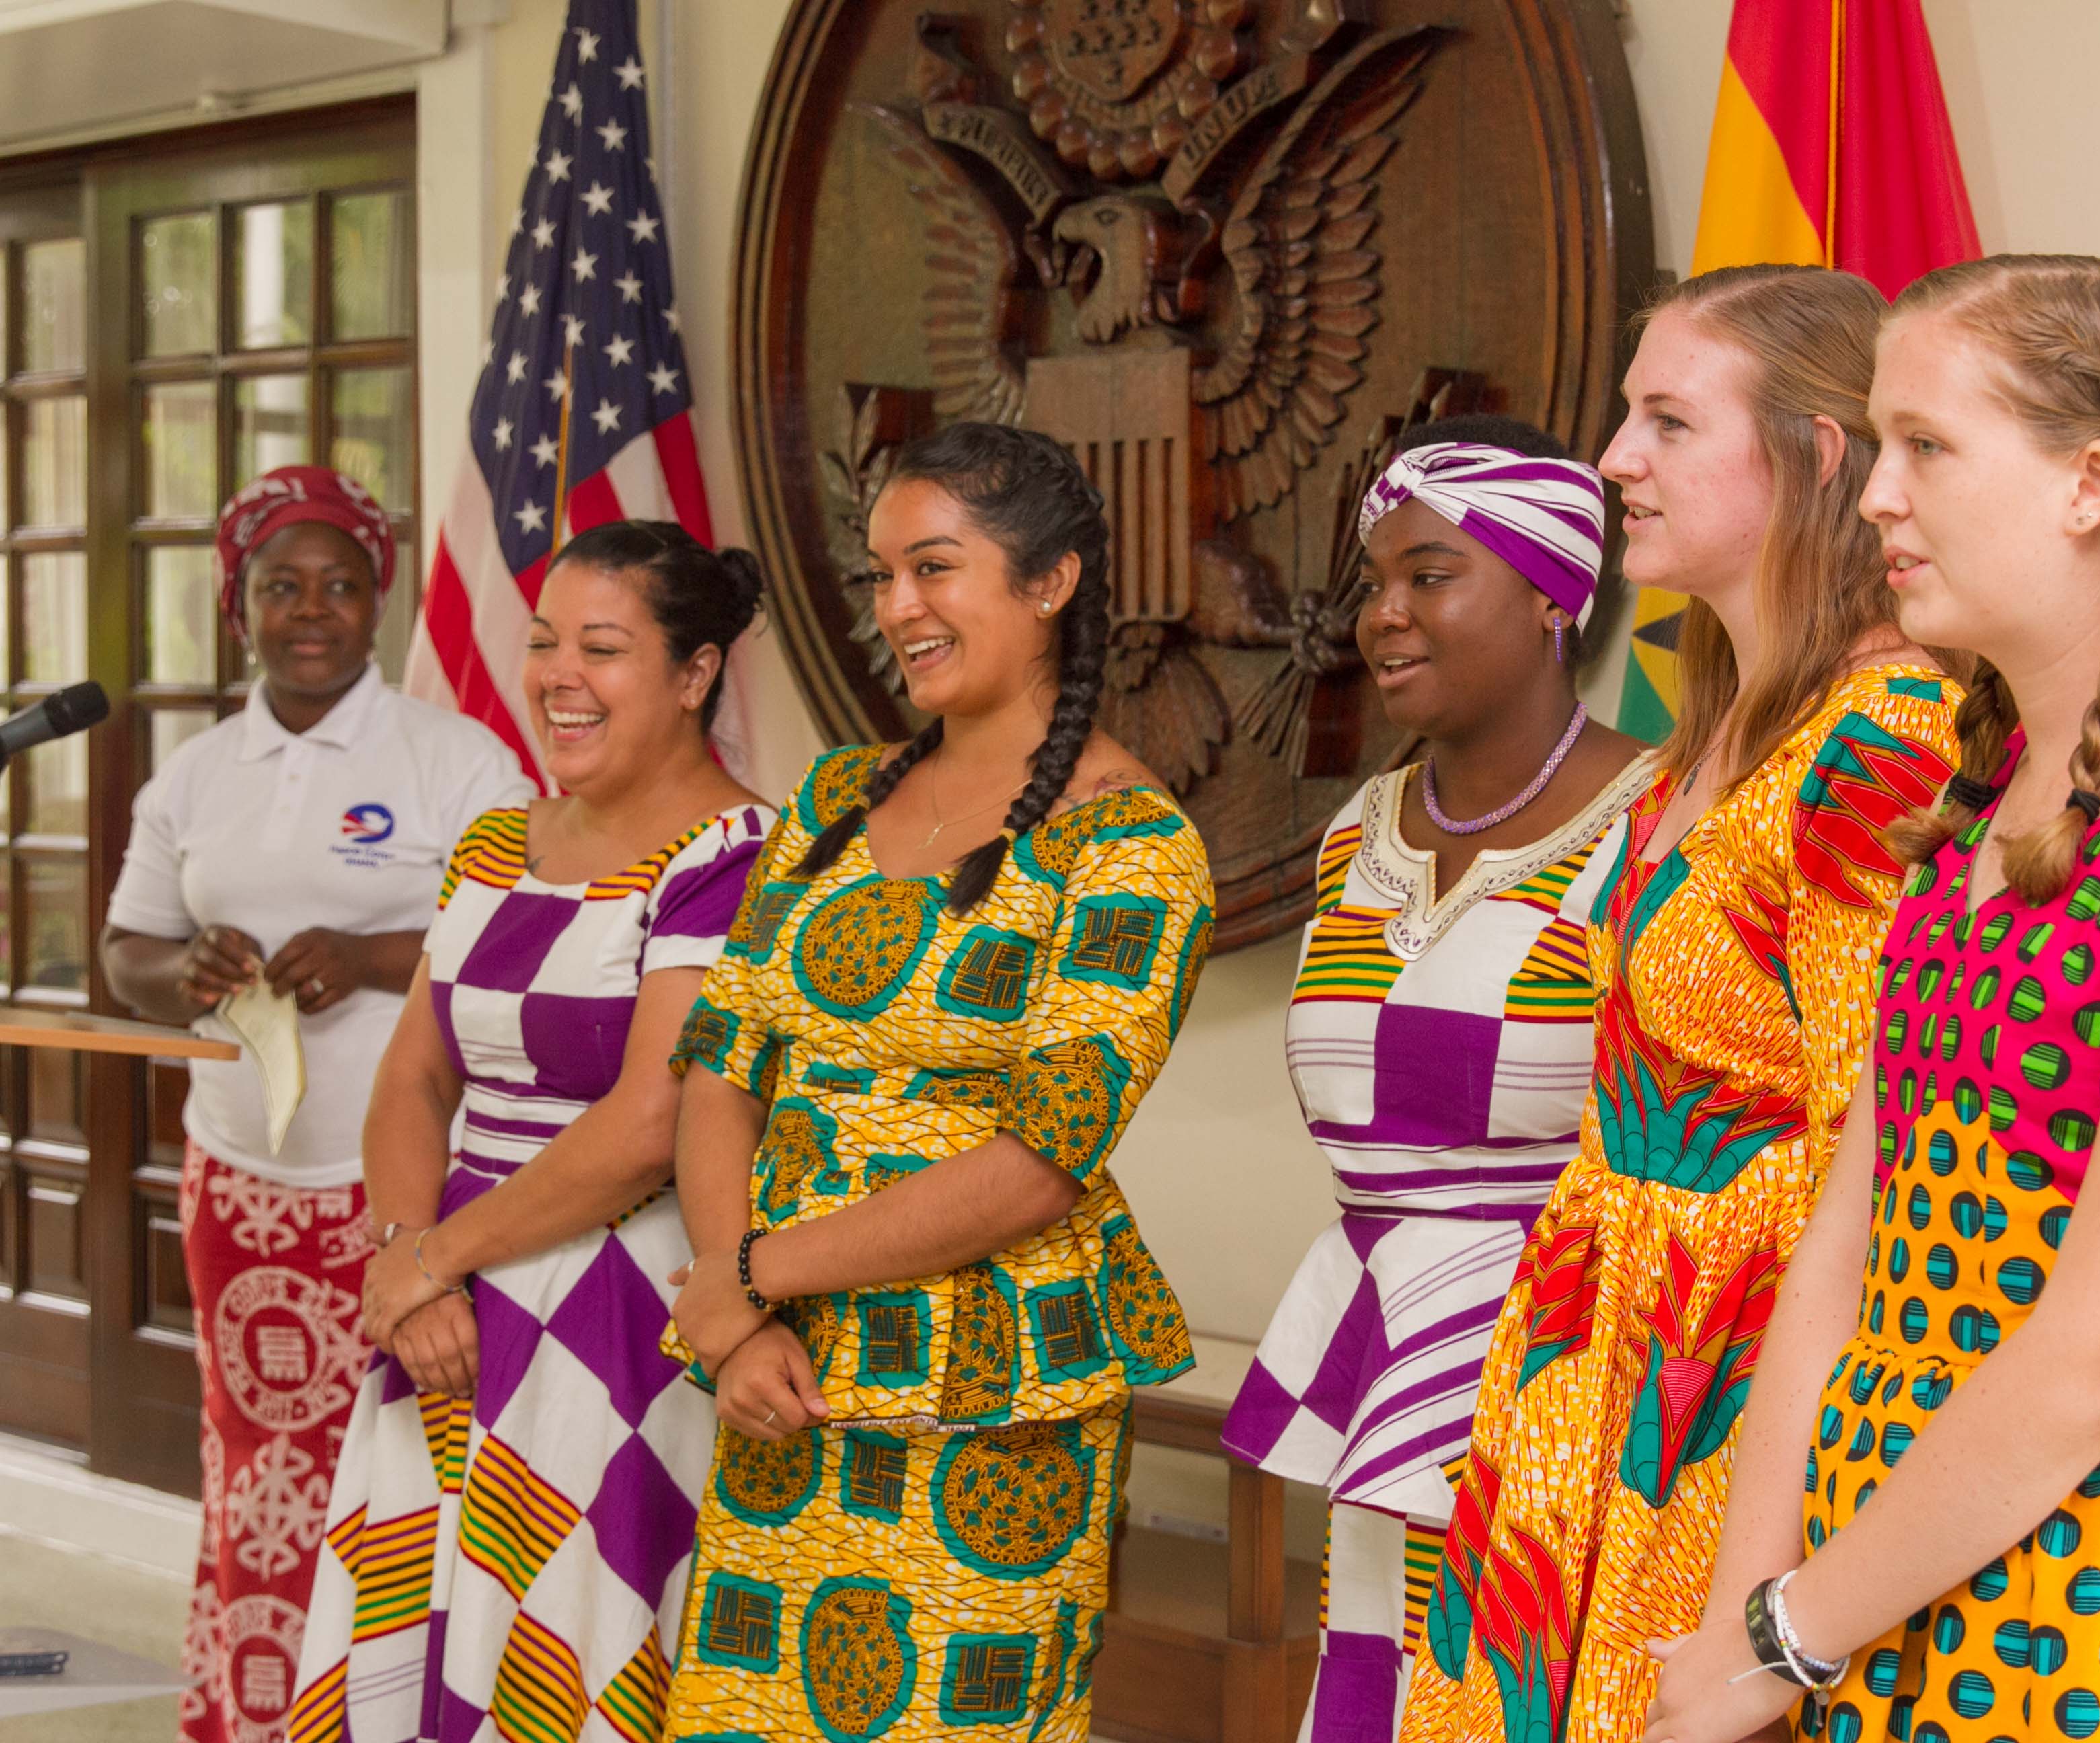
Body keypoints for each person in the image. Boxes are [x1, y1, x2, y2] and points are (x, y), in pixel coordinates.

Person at [1638, 256, 2100, 1743]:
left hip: (2099, 1601)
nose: (1875, 500)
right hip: (1875, 1583)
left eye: (1927, 447)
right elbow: (1848, 1234)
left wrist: (1787, 1638)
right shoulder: (1984, 791)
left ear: (2090, 483)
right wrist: (1741, 1603)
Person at [1399, 267, 1961, 1743]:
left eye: (1665, 420)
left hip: (1728, 1399)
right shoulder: (1702, 734)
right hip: (1589, 1371)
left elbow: (1877, 1159)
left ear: (1817, 458)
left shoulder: (1883, 743)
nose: (1612, 464)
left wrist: (1773, 1577)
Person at [656, 423, 1213, 1743]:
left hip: (994, 1401)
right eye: (880, 576)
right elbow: (721, 1071)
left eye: (935, 569)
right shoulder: (830, 803)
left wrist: (751, 1277)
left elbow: (1041, 1156)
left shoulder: (1130, 843)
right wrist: (739, 1320)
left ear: (1050, 584)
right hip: (782, 1378)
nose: (895, 607)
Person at [287, 521, 771, 1743]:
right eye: (544, 640)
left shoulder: (739, 856)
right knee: (420, 1637)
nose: (558, 673)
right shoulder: (498, 841)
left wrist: (431, 1260)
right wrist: (410, 1252)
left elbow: (656, 1117)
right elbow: (411, 1079)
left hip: (618, 1316)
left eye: (602, 648)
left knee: (566, 1646)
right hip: (445, 1311)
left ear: (696, 673)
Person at [1219, 416, 1651, 1741]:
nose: (1382, 617)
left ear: (1551, 597)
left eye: (1430, 575)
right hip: (1391, 1360)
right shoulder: (1365, 826)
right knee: (1388, 1690)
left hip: (1570, 1378)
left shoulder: (1660, 821)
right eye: (1374, 582)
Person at [98, 466, 532, 1743]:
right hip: (239, 1187)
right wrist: (182, 974)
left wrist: (373, 954)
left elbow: (514, 942)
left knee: (408, 1469)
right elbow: (126, 952)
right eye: (282, 585)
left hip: (411, 1196)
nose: (312, 611)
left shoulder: (458, 762)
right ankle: (250, 1714)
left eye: (342, 585)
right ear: (238, 602)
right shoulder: (195, 773)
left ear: (379, 604)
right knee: (259, 1471)